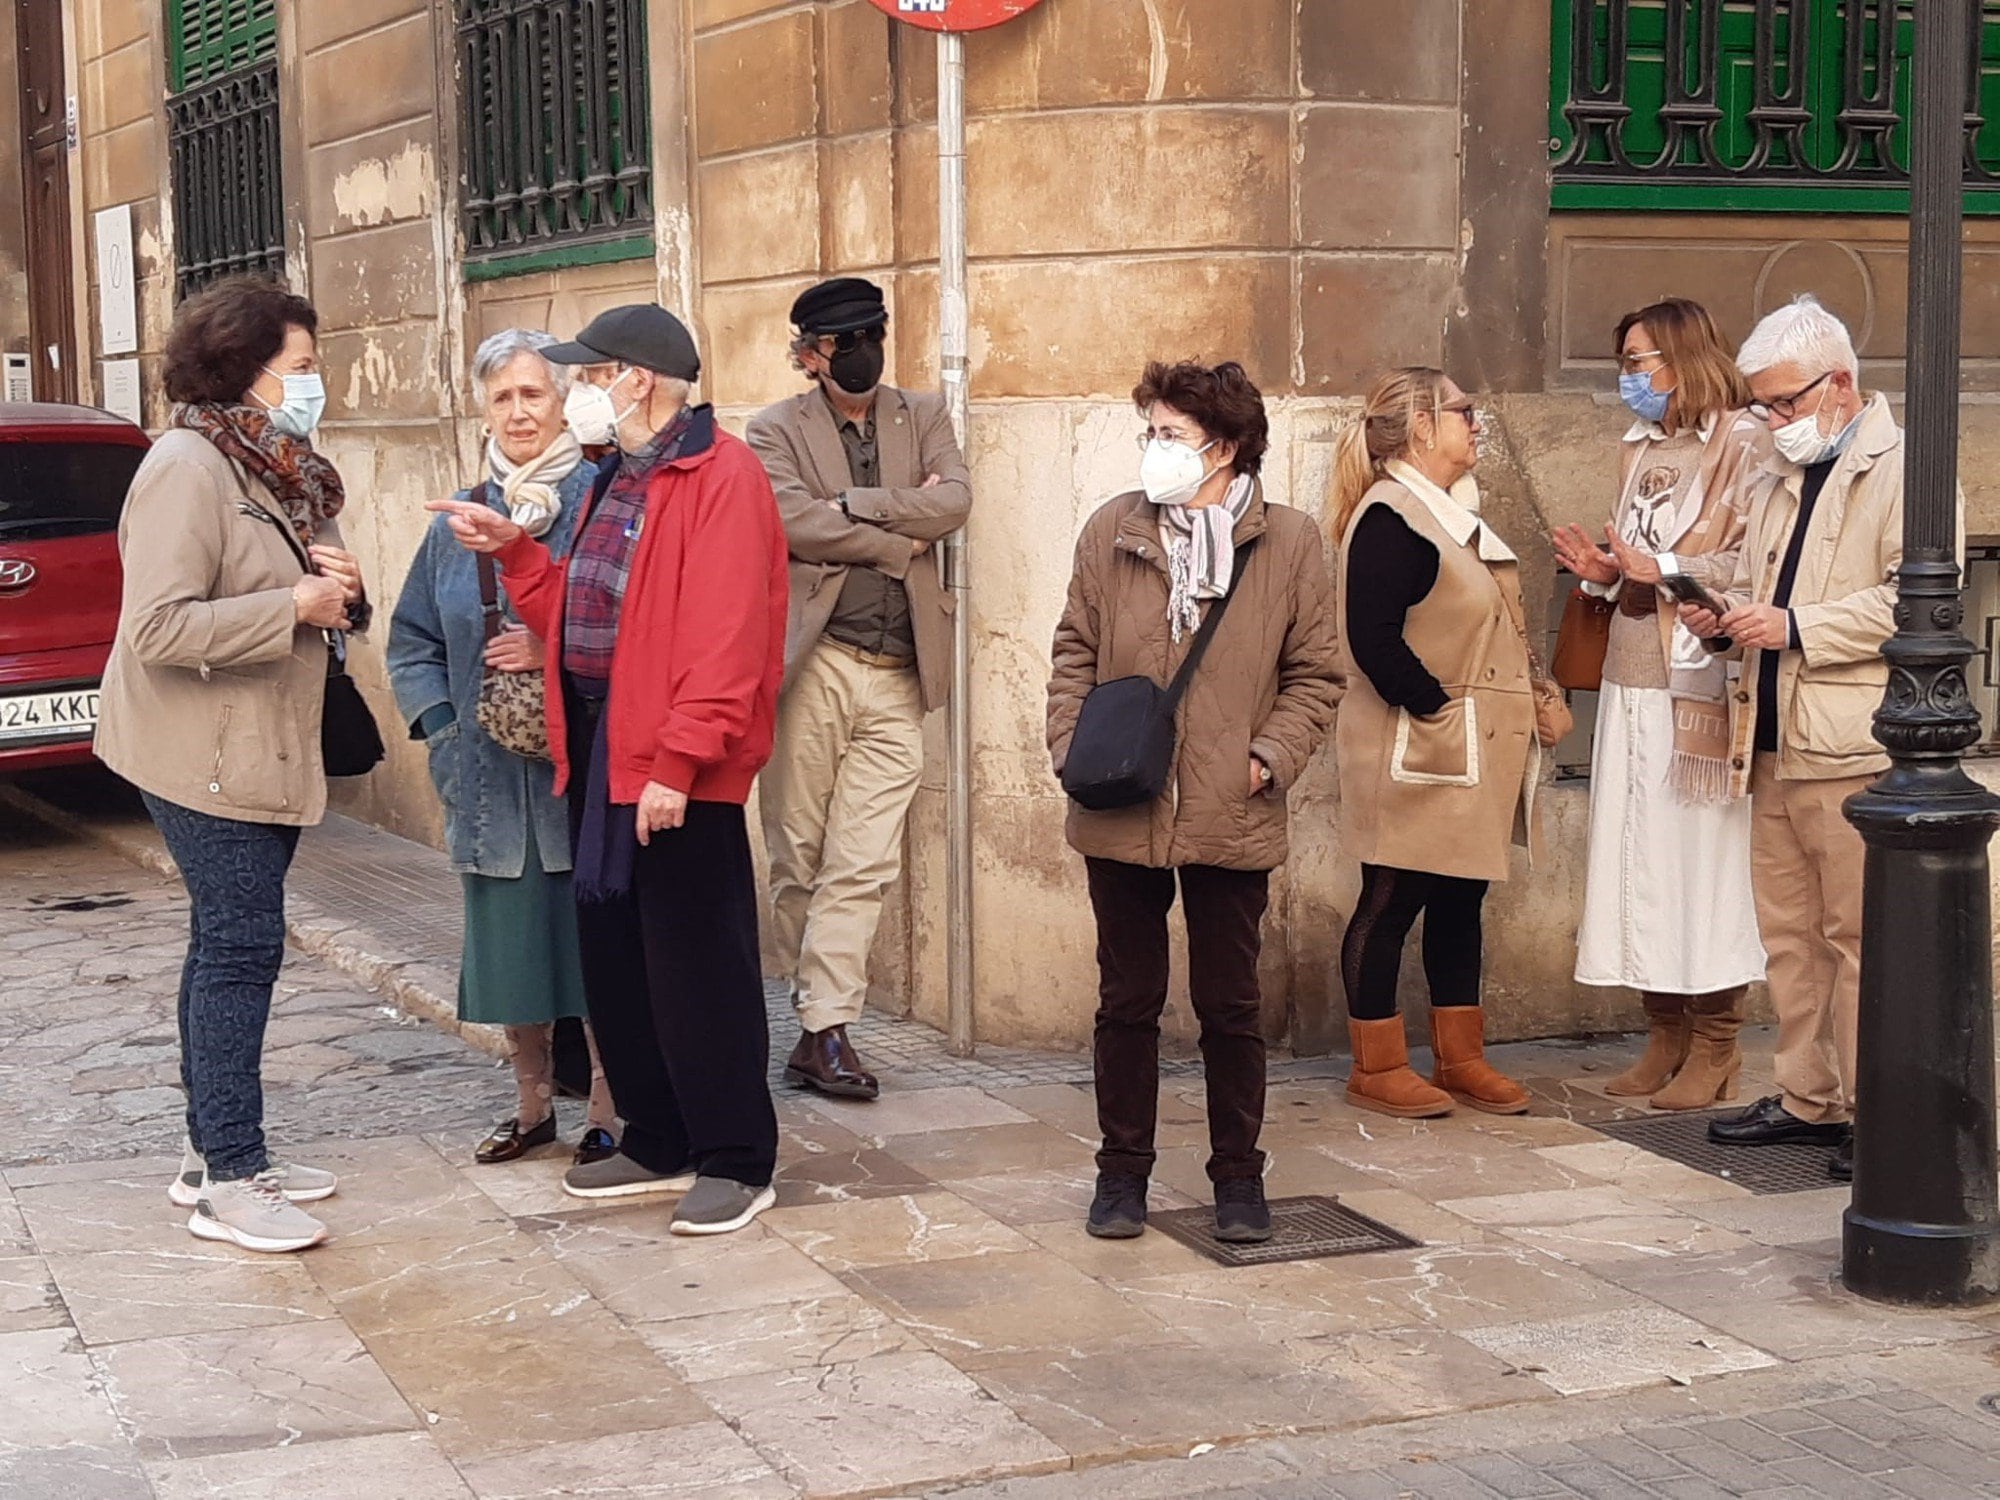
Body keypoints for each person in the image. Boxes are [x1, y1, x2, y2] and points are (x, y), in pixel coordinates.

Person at [427, 304, 789, 1236]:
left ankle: (737, 1156)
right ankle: (659, 1134)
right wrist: (512, 549)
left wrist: (681, 761)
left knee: (695, 962)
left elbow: (727, 636)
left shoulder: (723, 475)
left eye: (588, 375)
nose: (577, 393)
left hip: (676, 763)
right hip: (598, 745)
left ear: (637, 380)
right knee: (618, 956)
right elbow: (569, 608)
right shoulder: (609, 477)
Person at [94, 276, 363, 1253]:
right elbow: (159, 625)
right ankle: (233, 1180)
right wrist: (292, 606)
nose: (313, 383)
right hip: (195, 753)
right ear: (243, 370)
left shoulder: (277, 465)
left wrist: (336, 593)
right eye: (299, 368)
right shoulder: (186, 466)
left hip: (261, 744)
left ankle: (209, 1151)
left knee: (224, 944)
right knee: (242, 947)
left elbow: (307, 591)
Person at [1047, 360, 1340, 1245]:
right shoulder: (1112, 529)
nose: (1154, 450)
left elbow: (1317, 674)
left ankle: (1238, 1178)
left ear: (1227, 446)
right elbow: (1073, 652)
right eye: (1151, 433)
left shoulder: (1288, 543)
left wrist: (1266, 761)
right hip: (1120, 804)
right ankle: (1121, 1176)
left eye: (1171, 435)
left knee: (1230, 1004)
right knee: (1126, 1001)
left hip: (1230, 805)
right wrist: (1070, 748)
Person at [1678, 294, 1936, 1183]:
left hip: (1852, 740)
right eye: (1763, 405)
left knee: (1858, 938)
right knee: (1788, 935)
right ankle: (1806, 1096)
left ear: (1840, 385)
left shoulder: (1908, 466)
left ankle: (1877, 1110)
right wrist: (1706, 603)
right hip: (1772, 732)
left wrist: (1794, 626)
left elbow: (1917, 598)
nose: (1772, 420)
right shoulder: (1783, 467)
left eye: (1783, 403)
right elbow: (1755, 574)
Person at [388, 328, 615, 1168]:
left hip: (578, 771)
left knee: (596, 954)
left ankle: (605, 1109)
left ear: (563, 403)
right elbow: (409, 639)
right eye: (503, 398)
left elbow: (628, 627)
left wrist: (547, 649)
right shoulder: (457, 517)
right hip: (484, 778)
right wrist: (442, 731)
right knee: (512, 956)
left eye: (534, 395)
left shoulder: (603, 501)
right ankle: (528, 1108)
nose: (520, 412)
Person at [747, 277, 973, 1101]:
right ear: (811, 356)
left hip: (903, 668)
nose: (864, 353)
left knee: (864, 859)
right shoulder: (774, 428)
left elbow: (952, 502)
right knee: (798, 852)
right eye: (844, 344)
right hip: (817, 663)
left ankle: (826, 1027)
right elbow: (787, 520)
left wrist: (858, 503)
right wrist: (887, 544)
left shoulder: (926, 414)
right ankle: (817, 1017)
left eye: (874, 333)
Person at [1550, 300, 1770, 1112]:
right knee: (1636, 856)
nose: (1629, 376)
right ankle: (1664, 1032)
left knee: (1701, 862)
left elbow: (1753, 559)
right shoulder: (1639, 447)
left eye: (1640, 360)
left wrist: (1660, 562)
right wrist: (1607, 570)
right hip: (1630, 674)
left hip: (1696, 683)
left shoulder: (1744, 443)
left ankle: (1719, 1043)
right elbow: (1641, 566)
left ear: (1682, 356)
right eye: (1625, 361)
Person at [1327, 368, 1540, 1121]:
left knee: (1461, 897)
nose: (1475, 423)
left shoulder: (1445, 512)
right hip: (1416, 744)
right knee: (1392, 897)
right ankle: (1375, 1064)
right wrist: (1437, 710)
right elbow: (1371, 641)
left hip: (1462, 747)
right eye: (1463, 410)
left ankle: (1461, 1057)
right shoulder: (1392, 516)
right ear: (1422, 425)